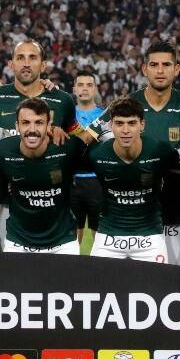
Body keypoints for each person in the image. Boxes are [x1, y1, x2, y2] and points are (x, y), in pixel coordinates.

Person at [87, 39, 180, 267]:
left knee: (171, 286)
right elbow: (86, 137)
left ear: (177, 69)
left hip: (177, 215)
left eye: (166, 65)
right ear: (145, 69)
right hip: (129, 220)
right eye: (154, 65)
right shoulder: (125, 106)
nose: (160, 70)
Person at [85, 97, 177, 262]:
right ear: (111, 125)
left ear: (142, 125)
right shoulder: (97, 155)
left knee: (158, 287)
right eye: (119, 123)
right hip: (108, 237)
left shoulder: (160, 151)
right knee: (96, 286)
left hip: (150, 238)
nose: (125, 130)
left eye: (132, 123)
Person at [0, 98, 87, 254]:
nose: (32, 129)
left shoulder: (66, 146)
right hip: (18, 243)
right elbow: (0, 194)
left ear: (49, 126)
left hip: (63, 243)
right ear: (17, 126)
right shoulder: (3, 151)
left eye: (39, 123)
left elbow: (97, 156)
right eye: (26, 122)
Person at [70, 70, 105, 245]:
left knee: (99, 233)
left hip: (98, 181)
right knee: (72, 233)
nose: (85, 89)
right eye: (80, 85)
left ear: (96, 89)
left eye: (89, 85)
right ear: (74, 89)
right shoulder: (66, 115)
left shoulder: (106, 116)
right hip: (71, 180)